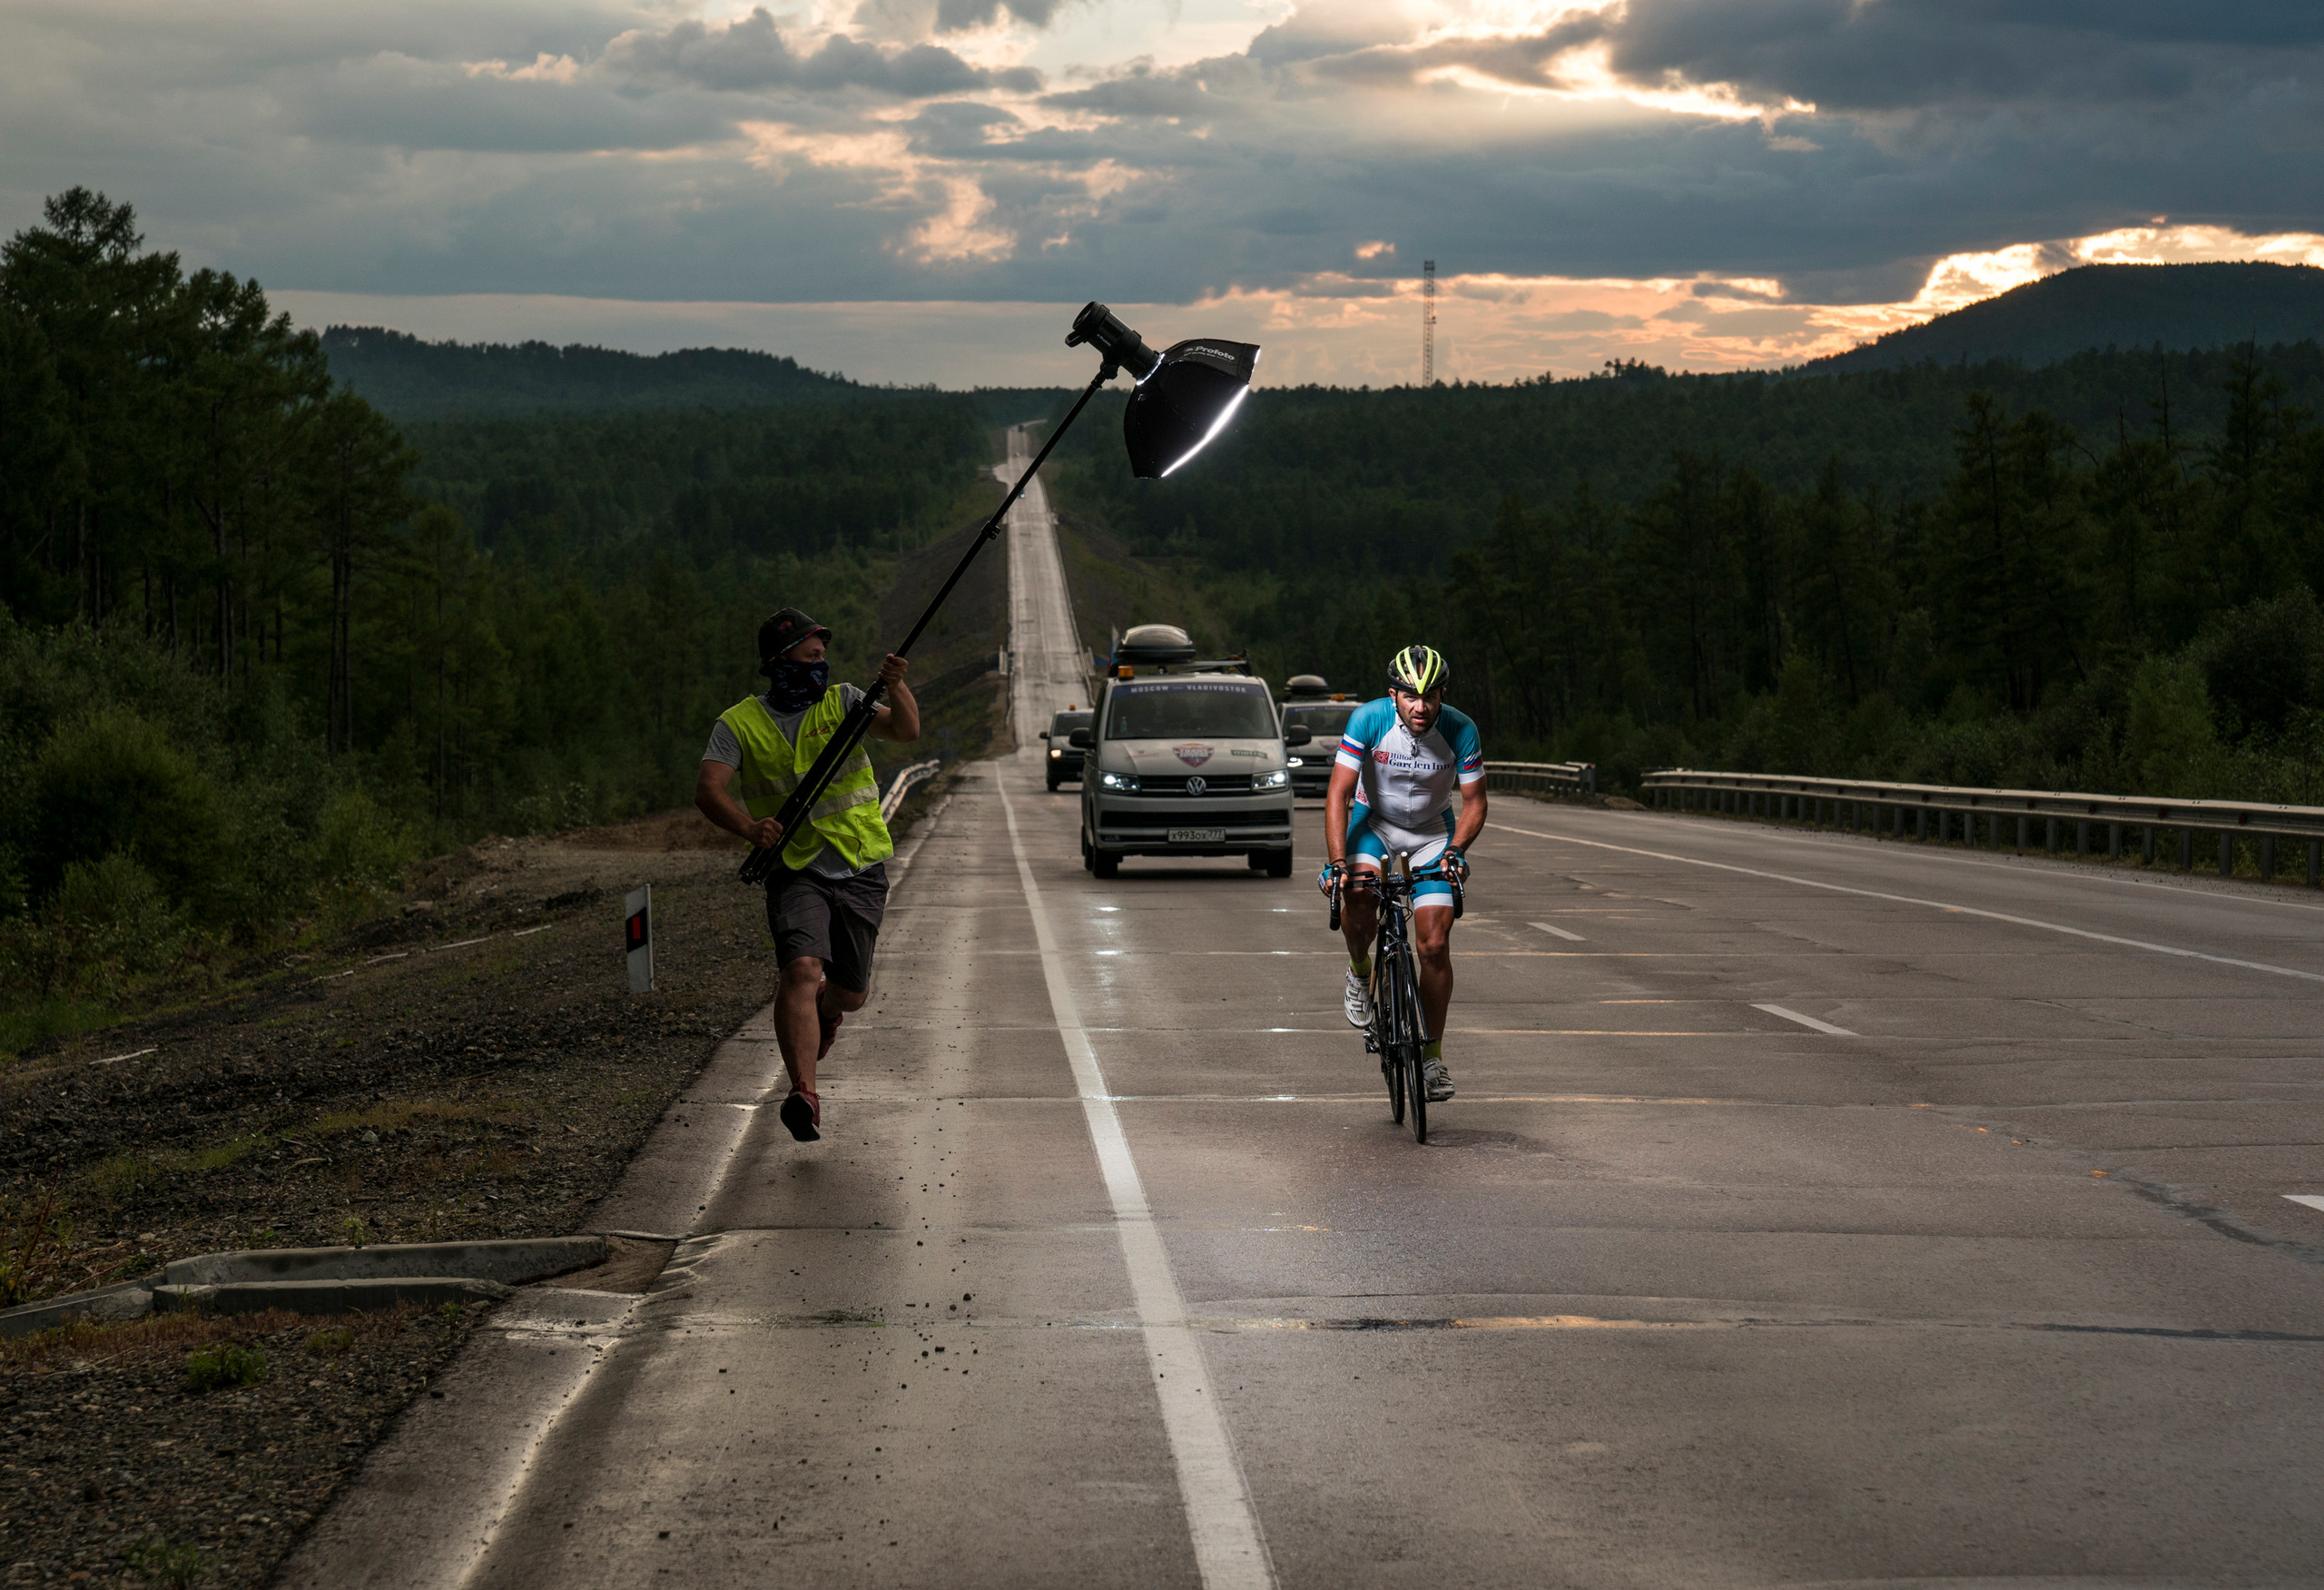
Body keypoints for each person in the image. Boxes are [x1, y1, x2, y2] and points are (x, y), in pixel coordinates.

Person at [695, 607, 920, 1142]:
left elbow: (906, 731)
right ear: (779, 662)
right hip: (794, 869)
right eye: (810, 656)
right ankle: (804, 1094)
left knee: (850, 993)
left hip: (859, 863)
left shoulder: (846, 700)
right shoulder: (738, 724)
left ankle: (827, 1010)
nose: (821, 665)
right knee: (800, 967)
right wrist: (750, 829)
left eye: (823, 656)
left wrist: (897, 686)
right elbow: (709, 790)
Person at [1318, 644, 1485, 1103]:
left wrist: (1456, 851)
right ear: (1393, 694)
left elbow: (1475, 802)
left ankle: (1431, 1056)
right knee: (1359, 894)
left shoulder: (1460, 729)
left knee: (1433, 942)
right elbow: (1339, 795)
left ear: (1441, 695)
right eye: (1411, 696)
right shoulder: (1368, 720)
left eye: (1430, 696)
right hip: (1374, 824)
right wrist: (1337, 862)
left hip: (1433, 831)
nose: (1421, 706)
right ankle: (1359, 968)